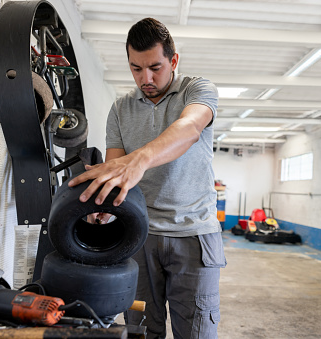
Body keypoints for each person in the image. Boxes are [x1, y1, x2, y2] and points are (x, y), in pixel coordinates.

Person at [68, 17, 226, 339]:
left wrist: (139, 159)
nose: (146, 78)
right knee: (139, 331)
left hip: (194, 235)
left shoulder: (198, 90)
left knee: (196, 333)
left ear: (174, 60)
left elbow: (189, 129)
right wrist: (104, 205)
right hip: (138, 236)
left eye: (155, 67)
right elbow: (116, 171)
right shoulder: (120, 109)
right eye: (136, 69)